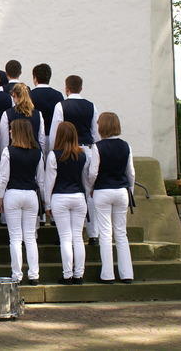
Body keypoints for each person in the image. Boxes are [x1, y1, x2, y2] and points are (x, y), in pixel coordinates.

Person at [49, 75, 100, 245]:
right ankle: (93, 233)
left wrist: (54, 151)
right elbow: (95, 132)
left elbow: (56, 131)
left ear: (66, 88)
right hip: (87, 149)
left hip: (66, 150)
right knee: (88, 190)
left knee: (63, 186)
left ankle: (61, 231)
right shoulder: (91, 106)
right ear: (81, 88)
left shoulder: (61, 105)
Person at [88, 112, 135, 284]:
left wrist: (91, 188)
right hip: (121, 190)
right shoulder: (126, 146)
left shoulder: (97, 146)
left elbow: (93, 172)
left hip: (102, 190)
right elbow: (131, 172)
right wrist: (130, 189)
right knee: (121, 233)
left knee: (106, 234)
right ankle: (127, 273)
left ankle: (107, 274)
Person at [0, 119, 44, 285]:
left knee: (15, 238)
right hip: (31, 194)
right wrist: (44, 199)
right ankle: (34, 274)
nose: (9, 132)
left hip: (13, 193)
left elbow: (3, 177)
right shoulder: (37, 152)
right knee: (30, 237)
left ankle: (17, 274)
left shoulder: (8, 151)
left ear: (16, 132)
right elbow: (41, 179)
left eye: (11, 130)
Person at [44, 121, 90, 285]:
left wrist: (47, 204)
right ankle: (79, 274)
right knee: (78, 237)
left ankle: (67, 274)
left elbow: (49, 181)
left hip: (60, 196)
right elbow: (85, 180)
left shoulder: (53, 155)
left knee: (65, 238)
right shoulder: (83, 154)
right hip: (78, 196)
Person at [0, 84, 46, 154]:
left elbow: (4, 141)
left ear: (14, 94)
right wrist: (42, 157)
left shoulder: (7, 114)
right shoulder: (38, 114)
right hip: (34, 154)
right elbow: (41, 139)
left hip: (14, 154)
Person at [29, 63, 64, 136]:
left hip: (35, 135)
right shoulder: (58, 95)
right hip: (54, 135)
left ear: (35, 78)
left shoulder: (29, 95)